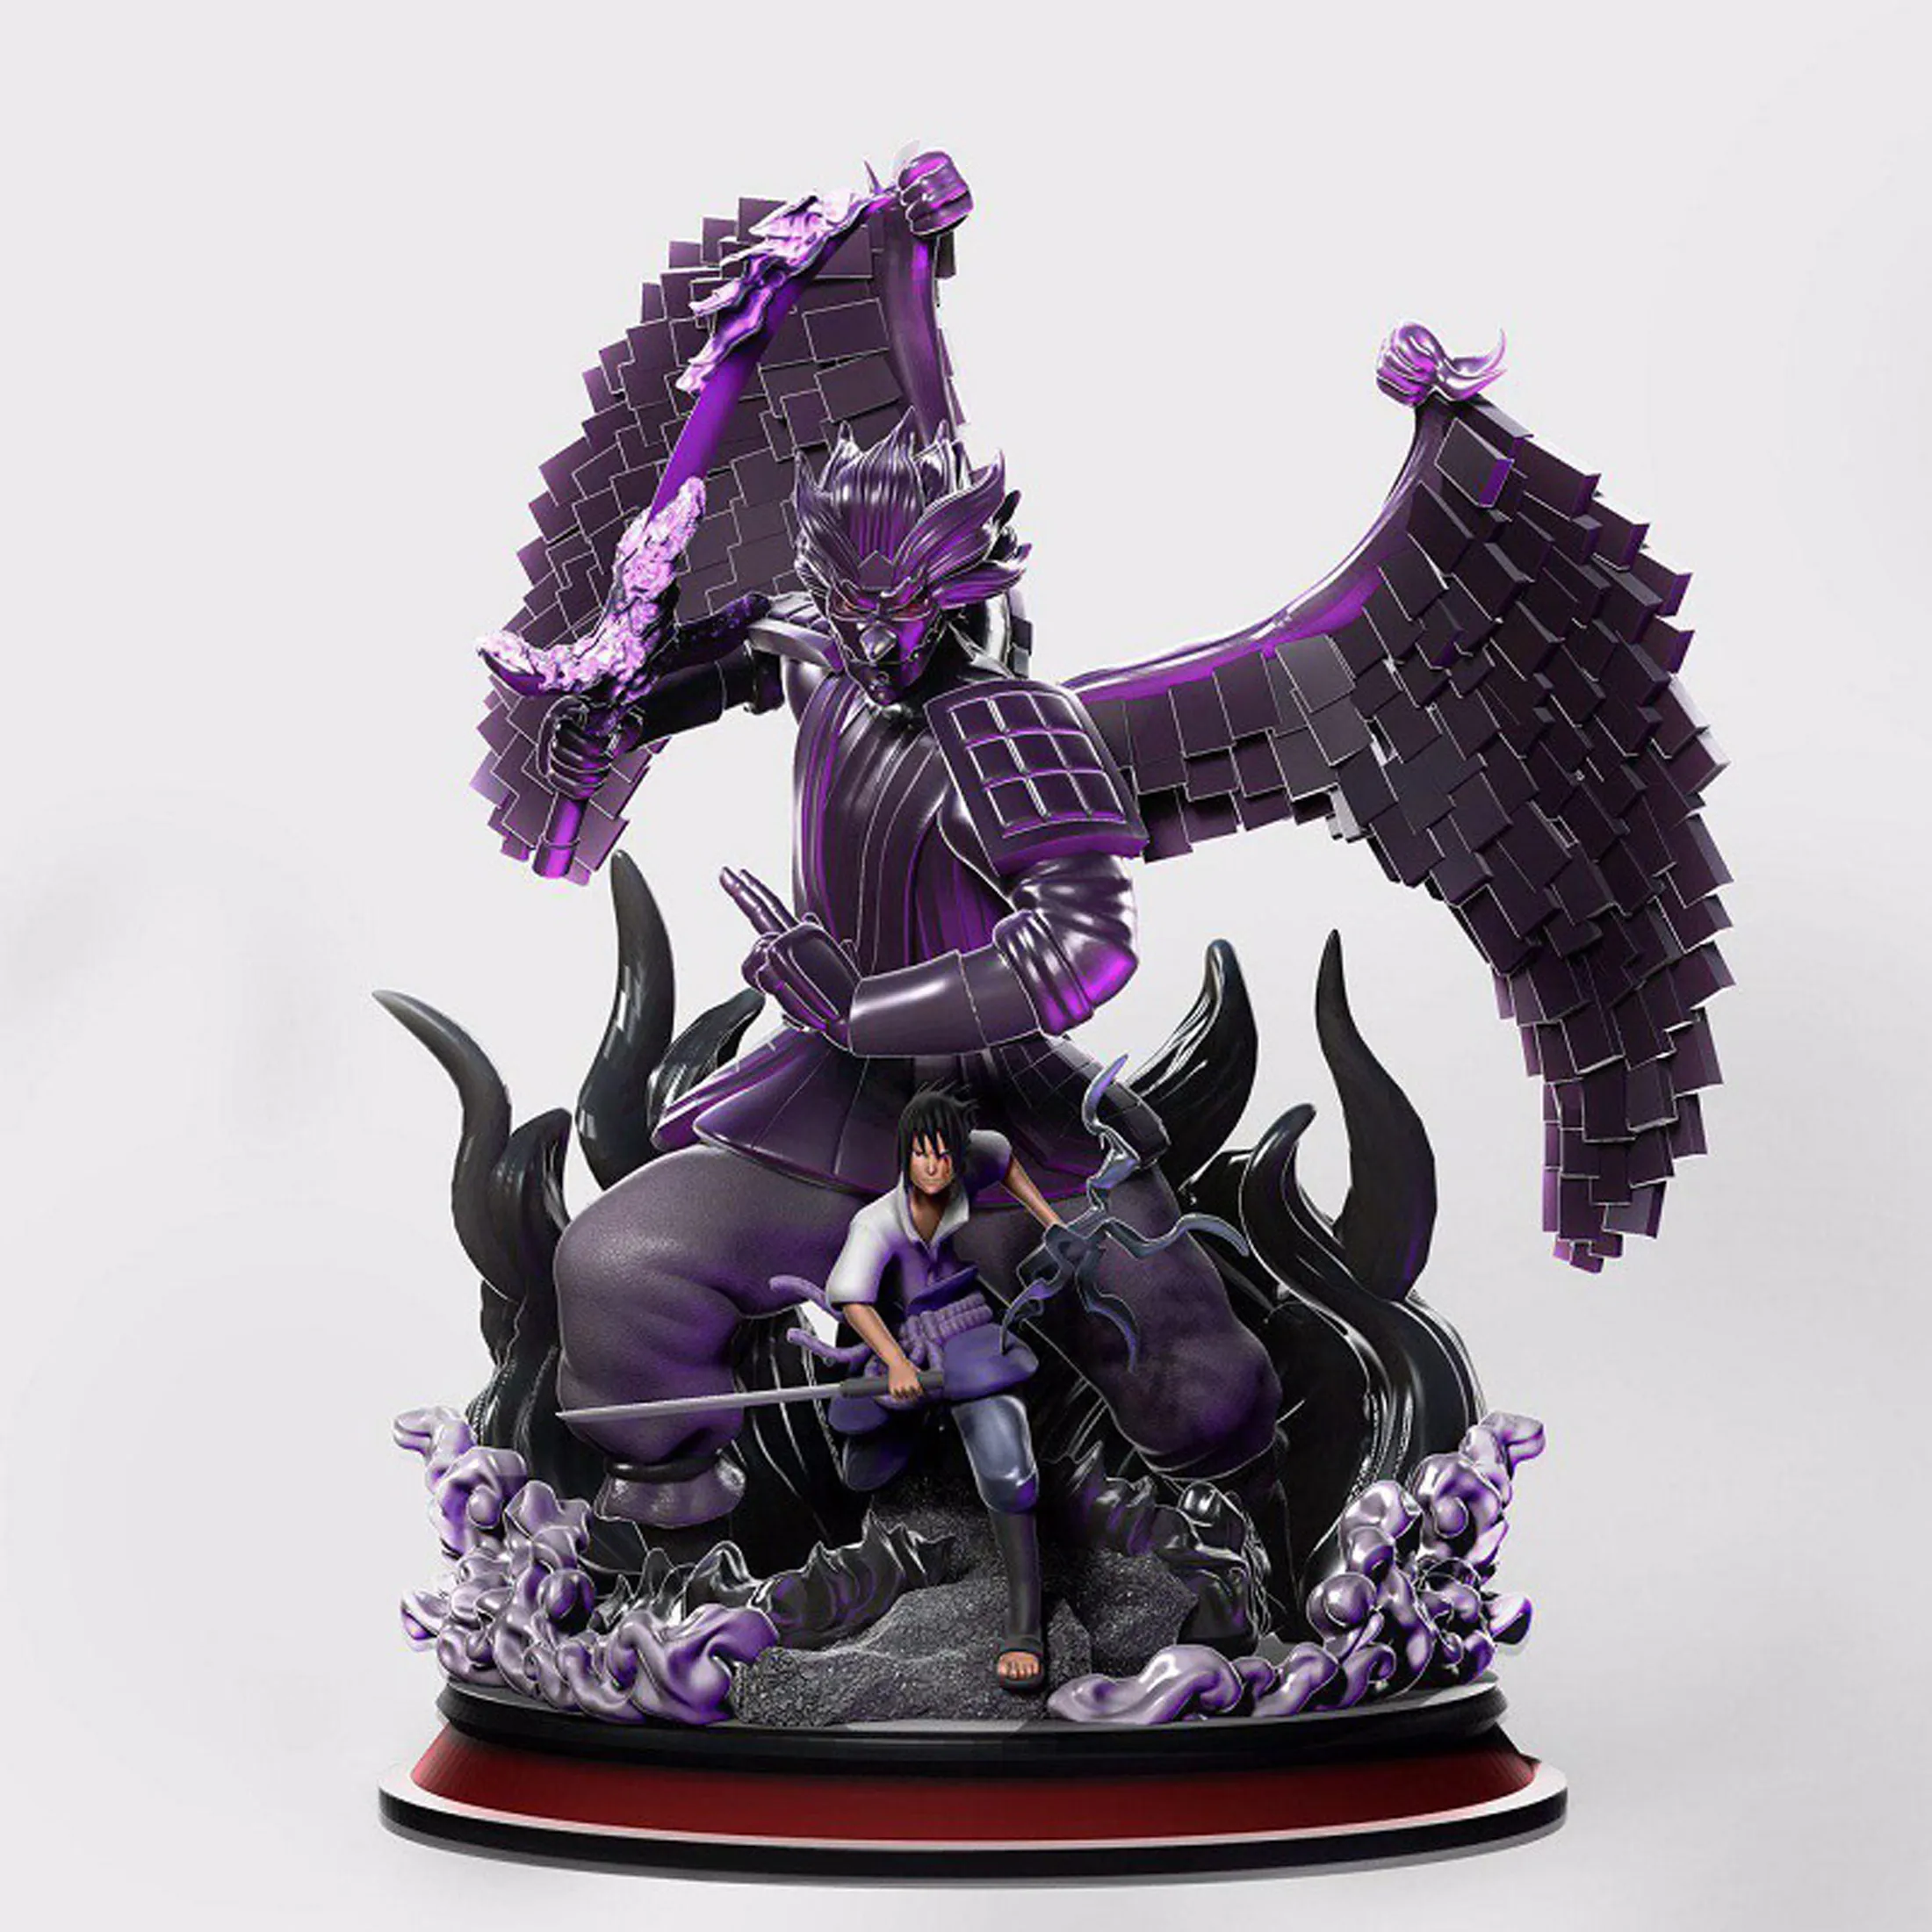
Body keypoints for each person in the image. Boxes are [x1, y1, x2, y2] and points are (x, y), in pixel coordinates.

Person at [785, 1087, 1060, 1691]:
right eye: (921, 1155)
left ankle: (1024, 1626)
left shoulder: (969, 1161)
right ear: (904, 1155)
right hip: (908, 1342)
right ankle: (915, 1436)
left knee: (1010, 1470)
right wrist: (894, 1362)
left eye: (944, 1155)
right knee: (863, 1457)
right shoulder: (878, 1220)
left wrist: (1053, 1223)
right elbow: (854, 1298)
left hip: (969, 1327)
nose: (934, 1167)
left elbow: (1003, 1157)